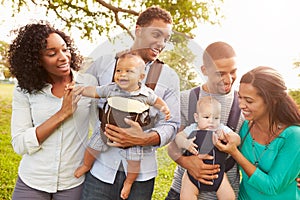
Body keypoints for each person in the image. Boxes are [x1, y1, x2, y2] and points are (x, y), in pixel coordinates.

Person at [81, 6, 180, 200]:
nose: (161, 43)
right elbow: (82, 99)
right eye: (156, 35)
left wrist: (143, 139)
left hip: (141, 176)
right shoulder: (103, 63)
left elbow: (172, 124)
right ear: (138, 31)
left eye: (166, 39)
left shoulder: (169, 77)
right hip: (99, 169)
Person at [8, 21, 98, 200]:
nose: (63, 57)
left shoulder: (89, 83)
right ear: (37, 61)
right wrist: (62, 113)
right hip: (32, 181)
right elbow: (19, 143)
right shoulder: (24, 89)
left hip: (73, 181)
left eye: (65, 50)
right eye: (52, 53)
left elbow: (101, 129)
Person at [73, 53, 170, 199]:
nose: (122, 75)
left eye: (129, 71)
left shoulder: (146, 94)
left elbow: (158, 102)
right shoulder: (111, 88)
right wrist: (80, 90)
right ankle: (86, 166)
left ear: (141, 77)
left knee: (134, 161)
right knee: (92, 147)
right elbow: (95, 91)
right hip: (107, 129)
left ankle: (129, 182)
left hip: (133, 136)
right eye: (119, 70)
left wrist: (165, 109)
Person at [166, 41, 244, 200]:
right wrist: (187, 162)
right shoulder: (186, 99)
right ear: (204, 70)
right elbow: (172, 146)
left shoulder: (244, 105)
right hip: (182, 190)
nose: (228, 79)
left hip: (223, 192)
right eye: (220, 73)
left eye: (233, 71)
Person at [215, 66, 300, 200]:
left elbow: (271, 187)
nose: (241, 105)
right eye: (240, 98)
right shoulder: (244, 127)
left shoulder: (293, 135)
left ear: (272, 101)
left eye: (249, 101)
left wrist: (235, 153)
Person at [175, 96, 240, 200]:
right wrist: (185, 143)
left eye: (216, 118)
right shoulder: (192, 128)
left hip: (218, 173)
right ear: (197, 117)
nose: (211, 121)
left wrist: (227, 137)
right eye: (206, 117)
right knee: (186, 196)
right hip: (192, 174)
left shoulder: (221, 129)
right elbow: (178, 138)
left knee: (229, 197)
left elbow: (237, 139)